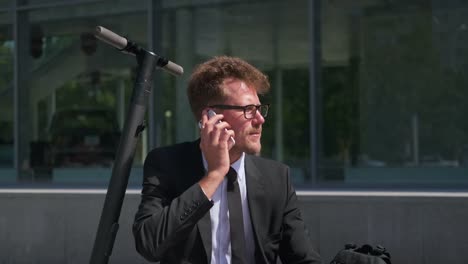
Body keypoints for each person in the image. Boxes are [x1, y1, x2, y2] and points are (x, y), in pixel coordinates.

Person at [133, 56, 322, 264]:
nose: (260, 119)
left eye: (260, 109)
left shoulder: (277, 178)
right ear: (212, 116)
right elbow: (149, 245)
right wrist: (214, 175)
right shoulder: (167, 164)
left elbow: (303, 258)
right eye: (248, 110)